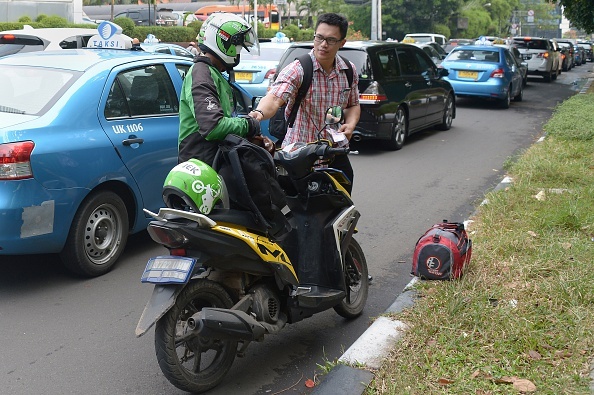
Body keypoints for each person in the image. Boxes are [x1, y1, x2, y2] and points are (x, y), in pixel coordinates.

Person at [248, 13, 361, 193]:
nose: (323, 44)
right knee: (300, 215)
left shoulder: (348, 71)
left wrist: (351, 124)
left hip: (334, 153)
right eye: (319, 37)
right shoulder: (298, 69)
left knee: (341, 211)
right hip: (299, 158)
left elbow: (353, 104)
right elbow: (276, 98)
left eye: (331, 40)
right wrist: (259, 114)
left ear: (342, 43)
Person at [178, 13, 272, 166]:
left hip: (215, 163)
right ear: (224, 44)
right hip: (201, 171)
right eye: (238, 47)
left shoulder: (214, 73)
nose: (238, 53)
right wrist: (249, 124)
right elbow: (213, 126)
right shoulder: (201, 74)